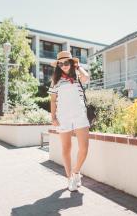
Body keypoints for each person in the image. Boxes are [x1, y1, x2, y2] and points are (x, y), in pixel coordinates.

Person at [48, 50, 90, 192]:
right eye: (60, 63)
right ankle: (69, 178)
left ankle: (76, 172)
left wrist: (78, 67)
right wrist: (53, 117)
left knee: (84, 149)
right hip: (63, 117)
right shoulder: (55, 81)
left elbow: (87, 77)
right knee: (66, 148)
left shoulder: (78, 76)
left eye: (66, 62)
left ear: (71, 63)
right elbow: (53, 100)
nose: (63, 66)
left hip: (80, 115)